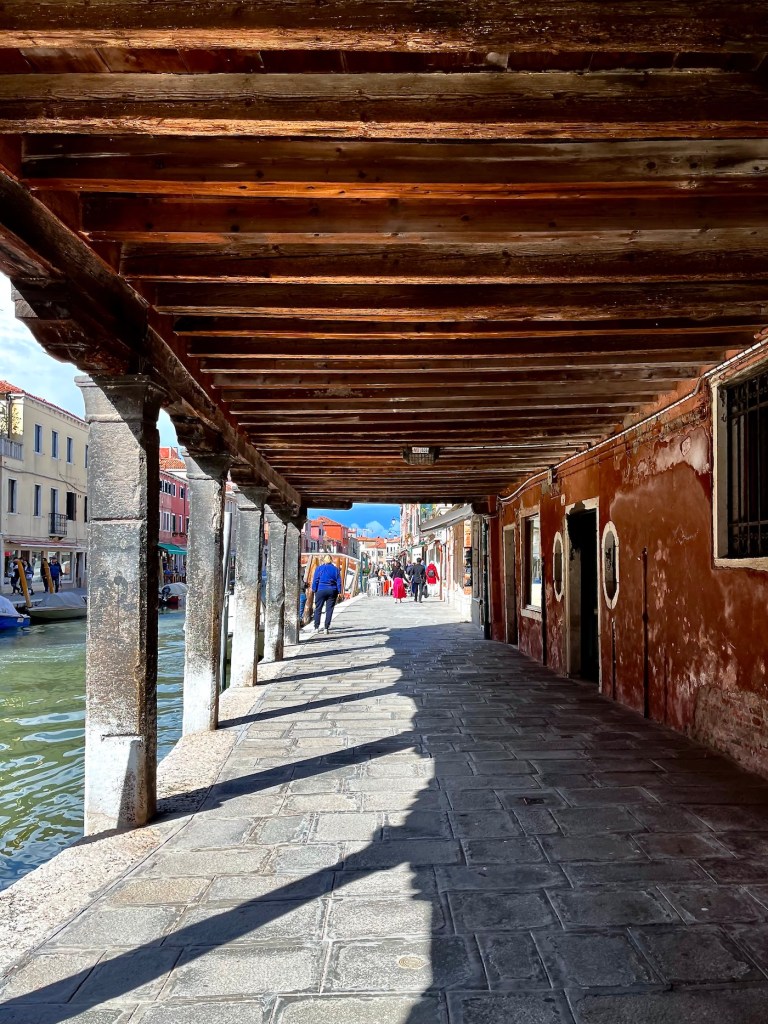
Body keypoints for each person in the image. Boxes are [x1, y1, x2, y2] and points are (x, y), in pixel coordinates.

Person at [312, 554, 343, 634]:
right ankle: (326, 628)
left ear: (324, 560)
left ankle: (316, 627)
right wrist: (339, 591)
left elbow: (315, 580)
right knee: (329, 610)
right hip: (332, 590)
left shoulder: (319, 568)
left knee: (318, 609)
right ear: (331, 560)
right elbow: (339, 581)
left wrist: (314, 589)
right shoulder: (336, 569)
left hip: (321, 590)